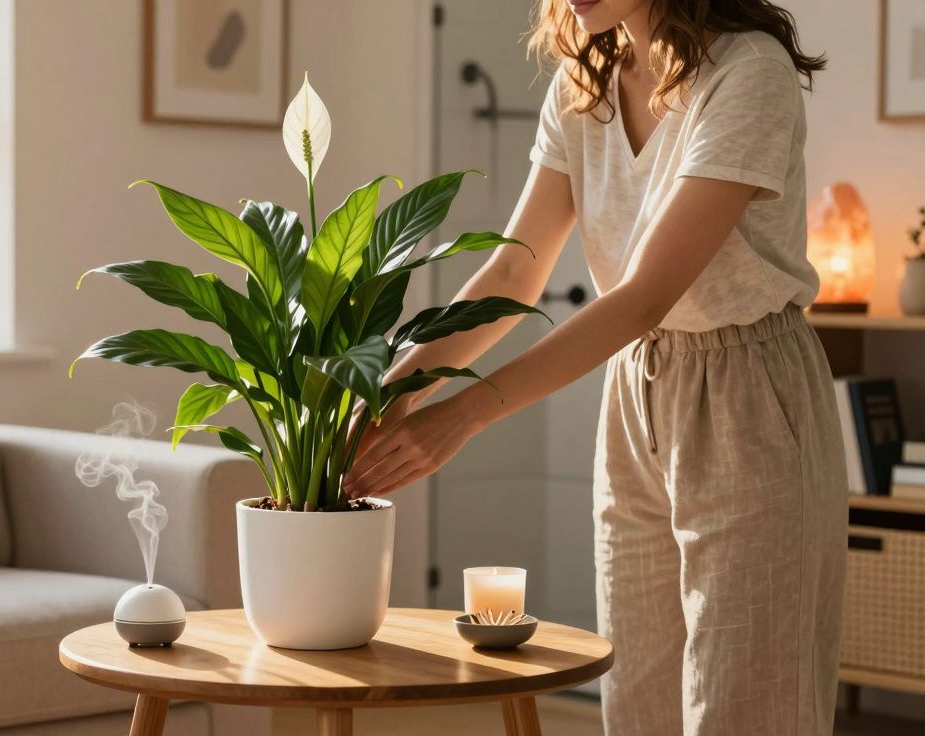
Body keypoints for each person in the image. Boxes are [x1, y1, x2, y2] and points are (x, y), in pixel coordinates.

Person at [343, 1, 846, 733]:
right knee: (637, 703)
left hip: (750, 399)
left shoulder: (747, 73)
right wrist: (399, 387)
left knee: (746, 707)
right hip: (635, 394)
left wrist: (467, 413)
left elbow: (644, 295)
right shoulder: (585, 86)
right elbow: (514, 273)